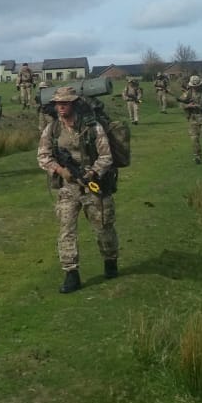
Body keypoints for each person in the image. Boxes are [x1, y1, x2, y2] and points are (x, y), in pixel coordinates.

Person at [36, 86, 119, 293]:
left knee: (104, 227)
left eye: (64, 103)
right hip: (67, 188)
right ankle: (71, 273)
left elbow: (106, 156)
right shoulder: (52, 129)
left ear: (73, 103)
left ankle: (110, 260)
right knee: (66, 231)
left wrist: (91, 173)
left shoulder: (93, 127)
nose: (61, 107)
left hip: (94, 185)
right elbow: (43, 156)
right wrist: (59, 170)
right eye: (57, 103)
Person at [178, 75, 202, 164]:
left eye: (197, 86)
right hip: (193, 118)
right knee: (194, 139)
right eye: (193, 86)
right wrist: (188, 105)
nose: (195, 87)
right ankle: (197, 156)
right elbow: (180, 104)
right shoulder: (188, 93)